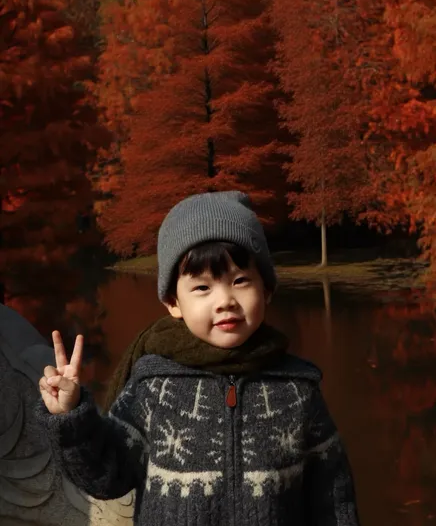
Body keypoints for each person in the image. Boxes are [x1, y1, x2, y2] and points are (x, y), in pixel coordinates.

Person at [36, 190, 359, 525]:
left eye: (240, 281)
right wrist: (71, 417)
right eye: (202, 288)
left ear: (267, 290)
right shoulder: (154, 387)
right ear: (173, 303)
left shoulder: (297, 389)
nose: (225, 301)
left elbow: (334, 500)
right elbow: (105, 477)